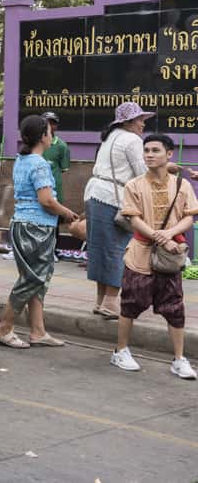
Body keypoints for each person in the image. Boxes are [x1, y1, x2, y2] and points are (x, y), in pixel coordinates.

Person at [110, 134, 197, 379]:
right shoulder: (134, 185)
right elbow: (133, 218)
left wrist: (170, 233)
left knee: (175, 307)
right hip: (139, 255)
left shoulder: (182, 185)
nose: (149, 154)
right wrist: (161, 238)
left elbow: (190, 216)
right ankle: (121, 351)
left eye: (155, 150)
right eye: (146, 150)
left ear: (169, 154)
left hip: (169, 257)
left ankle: (179, 359)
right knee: (130, 304)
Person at [0, 115, 78, 348]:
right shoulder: (40, 164)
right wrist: (67, 213)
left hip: (22, 224)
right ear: (43, 136)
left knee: (34, 280)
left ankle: (38, 331)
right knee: (33, 279)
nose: (52, 136)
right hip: (37, 228)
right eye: (50, 132)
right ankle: (4, 328)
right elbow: (47, 200)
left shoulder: (23, 160)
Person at [83, 102, 152, 319]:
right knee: (118, 249)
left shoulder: (110, 137)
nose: (143, 124)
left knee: (99, 249)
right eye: (140, 120)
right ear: (129, 122)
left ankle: (100, 300)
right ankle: (111, 302)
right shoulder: (132, 140)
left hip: (95, 193)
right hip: (114, 199)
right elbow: (142, 173)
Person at [41, 112, 71, 254]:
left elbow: (64, 169)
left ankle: (53, 251)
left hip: (54, 191)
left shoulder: (62, 146)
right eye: (46, 122)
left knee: (54, 222)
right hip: (37, 191)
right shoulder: (34, 146)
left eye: (52, 123)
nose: (49, 126)